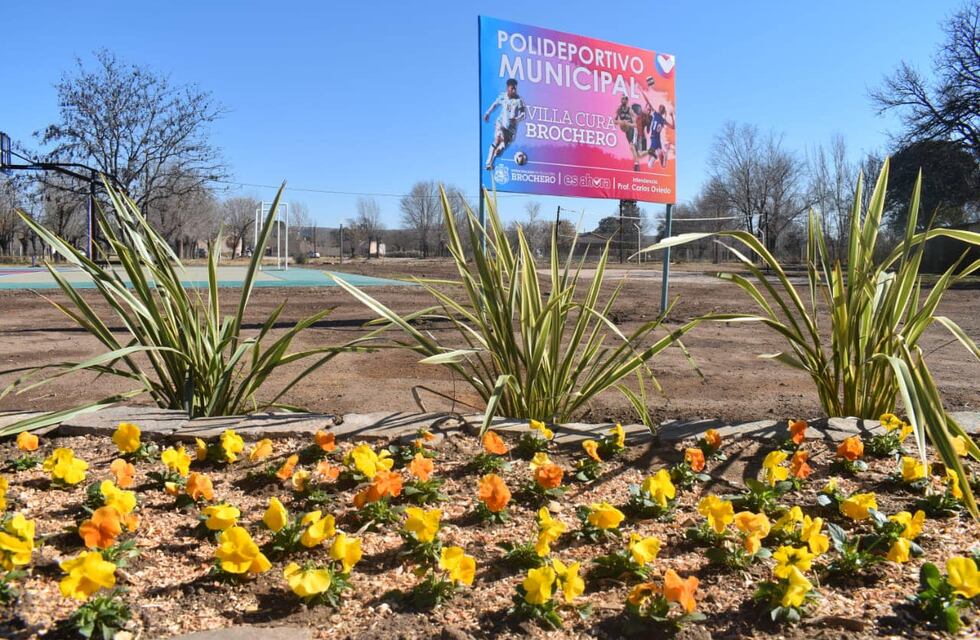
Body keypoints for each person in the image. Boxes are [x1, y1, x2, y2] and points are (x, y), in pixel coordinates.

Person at [484, 78, 527, 170]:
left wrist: (516, 119)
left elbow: (523, 114)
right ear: (508, 88)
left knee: (501, 148)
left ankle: (492, 159)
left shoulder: (519, 100)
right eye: (512, 88)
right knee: (498, 139)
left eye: (515, 88)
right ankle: (488, 163)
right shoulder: (502, 96)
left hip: (510, 129)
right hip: (501, 123)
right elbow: (495, 104)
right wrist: (487, 113)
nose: (514, 90)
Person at [613, 96, 638, 169]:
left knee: (631, 146)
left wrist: (628, 124)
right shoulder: (619, 110)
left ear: (627, 101)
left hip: (632, 129)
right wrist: (621, 122)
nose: (624, 100)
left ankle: (636, 164)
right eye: (622, 99)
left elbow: (636, 125)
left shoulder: (630, 111)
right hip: (627, 131)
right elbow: (614, 121)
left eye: (625, 99)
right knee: (632, 147)